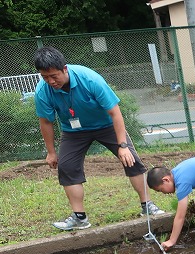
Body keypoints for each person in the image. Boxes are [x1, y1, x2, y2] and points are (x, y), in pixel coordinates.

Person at [33, 46, 164, 231]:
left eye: (54, 76)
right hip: (73, 131)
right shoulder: (42, 91)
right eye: (45, 77)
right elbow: (46, 122)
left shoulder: (90, 79)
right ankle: (80, 218)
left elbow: (115, 112)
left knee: (131, 160)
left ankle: (147, 206)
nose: (50, 81)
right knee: (67, 167)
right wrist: (51, 152)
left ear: (65, 69)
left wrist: (123, 145)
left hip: (106, 126)